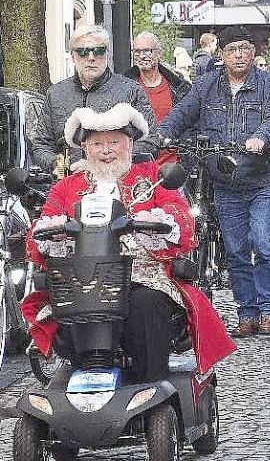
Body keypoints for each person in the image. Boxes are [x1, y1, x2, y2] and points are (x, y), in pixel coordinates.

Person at [21, 104, 235, 384]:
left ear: (130, 144)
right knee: (68, 306)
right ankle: (83, 381)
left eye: (114, 142)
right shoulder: (66, 187)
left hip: (143, 278)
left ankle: (150, 386)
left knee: (146, 305)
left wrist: (157, 222)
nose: (107, 150)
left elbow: (182, 220)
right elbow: (39, 234)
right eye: (97, 144)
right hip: (80, 280)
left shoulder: (152, 178)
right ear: (85, 149)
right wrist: (52, 232)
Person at [159, 26, 270, 339]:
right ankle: (247, 313)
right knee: (236, 249)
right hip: (224, 179)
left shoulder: (269, 84)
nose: (239, 55)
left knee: (262, 241)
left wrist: (262, 137)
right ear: (222, 54)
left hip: (261, 178)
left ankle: (269, 310)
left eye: (245, 48)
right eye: (233, 49)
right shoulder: (206, 86)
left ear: (254, 52)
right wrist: (162, 133)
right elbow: (183, 112)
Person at [32, 25, 159, 174]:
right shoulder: (55, 94)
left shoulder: (131, 91)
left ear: (107, 54)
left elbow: (150, 141)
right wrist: (61, 167)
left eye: (98, 51)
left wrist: (103, 162)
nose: (91, 58)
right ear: (73, 56)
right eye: (83, 52)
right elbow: (41, 145)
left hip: (118, 183)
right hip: (67, 184)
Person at [124, 32, 193, 166]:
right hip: (136, 166)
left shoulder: (179, 87)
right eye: (137, 51)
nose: (142, 56)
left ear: (159, 53)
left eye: (147, 51)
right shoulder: (123, 87)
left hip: (174, 168)